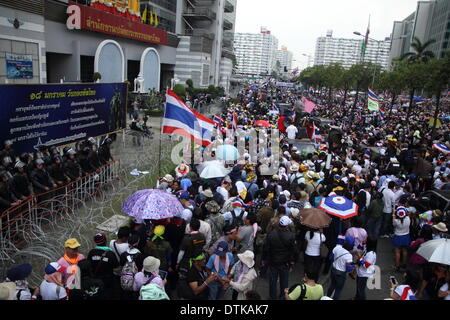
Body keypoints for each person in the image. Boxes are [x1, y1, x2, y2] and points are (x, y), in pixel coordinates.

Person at [263, 216, 298, 300]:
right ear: (287, 226)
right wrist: (293, 260)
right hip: (285, 262)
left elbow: (266, 248)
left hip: (273, 260)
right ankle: (282, 296)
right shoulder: (291, 236)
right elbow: (294, 250)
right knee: (284, 281)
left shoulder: (271, 234)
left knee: (272, 281)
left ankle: (272, 297)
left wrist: (264, 259)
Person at [87, 233, 119, 299]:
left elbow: (88, 266)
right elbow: (116, 267)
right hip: (108, 282)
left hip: (95, 281)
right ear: (105, 241)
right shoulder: (110, 254)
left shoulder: (91, 252)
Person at [327, 236, 355, 300]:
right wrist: (353, 266)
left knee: (332, 285)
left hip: (333, 270)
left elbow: (330, 258)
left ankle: (327, 297)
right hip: (341, 275)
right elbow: (348, 269)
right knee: (338, 290)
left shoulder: (337, 248)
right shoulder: (349, 256)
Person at [392, 200, 411, 272]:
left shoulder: (396, 221)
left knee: (397, 252)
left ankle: (397, 266)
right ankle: (404, 264)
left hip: (398, 236)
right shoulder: (408, 219)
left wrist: (394, 213)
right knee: (405, 251)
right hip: (406, 236)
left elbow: (393, 223)